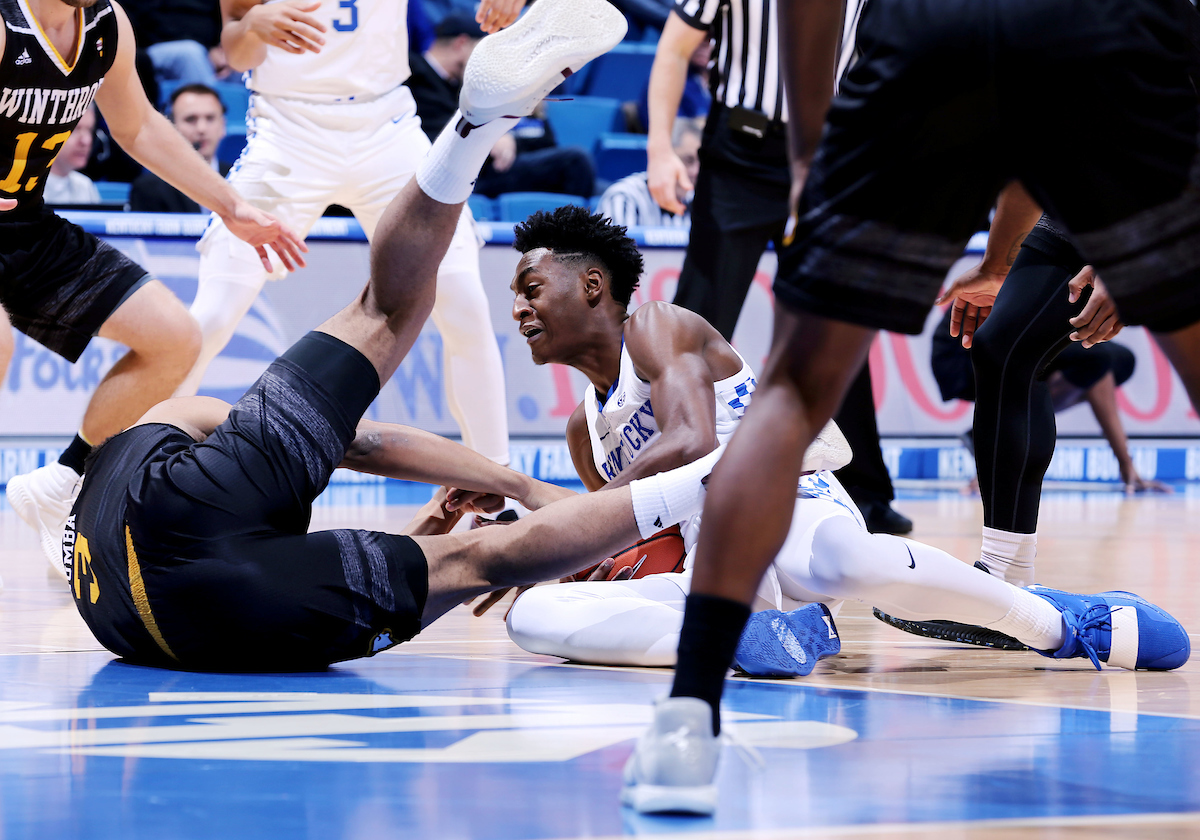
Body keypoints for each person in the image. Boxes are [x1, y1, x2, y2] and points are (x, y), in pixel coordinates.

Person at [625, 0, 1200, 815]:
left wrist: (811, 152)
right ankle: (1007, 577)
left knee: (790, 393)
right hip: (1097, 28)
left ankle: (688, 722)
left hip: (927, 35)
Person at [65, 0, 656, 674]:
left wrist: (492, 501)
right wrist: (516, 486)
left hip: (176, 611)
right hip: (288, 127)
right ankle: (474, 130)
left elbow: (363, 517)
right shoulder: (218, 487)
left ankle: (522, 501)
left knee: (468, 554)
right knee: (320, 313)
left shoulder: (257, 563)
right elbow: (359, 444)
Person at [495, 210, 1185, 695]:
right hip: (714, 567)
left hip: (788, 513)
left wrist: (562, 526)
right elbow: (623, 524)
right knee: (529, 616)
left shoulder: (655, 326)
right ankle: (757, 638)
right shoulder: (583, 432)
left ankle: (1063, 624)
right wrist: (546, 544)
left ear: (591, 286)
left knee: (852, 559)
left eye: (530, 289)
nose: (520, 310)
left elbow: (691, 443)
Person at [2, 0, 305, 576]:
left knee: (175, 339)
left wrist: (232, 205)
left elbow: (138, 126)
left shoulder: (106, 25)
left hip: (26, 222)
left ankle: (63, 482)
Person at [175, 0, 511, 475]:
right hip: (288, 134)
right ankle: (130, 468)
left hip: (388, 129)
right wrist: (251, 27)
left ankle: (495, 488)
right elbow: (237, 46)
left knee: (465, 304)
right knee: (212, 314)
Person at [130, 84, 231, 213]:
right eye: (190, 119)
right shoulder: (149, 188)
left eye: (210, 118)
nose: (202, 129)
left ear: (222, 126)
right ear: (171, 127)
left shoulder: (243, 179)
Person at [597, 118, 701, 229]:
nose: (696, 171)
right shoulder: (623, 199)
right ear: (663, 156)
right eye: (688, 160)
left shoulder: (699, 202)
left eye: (701, 161)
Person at [43, 106, 101, 205]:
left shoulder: (85, 185)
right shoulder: (21, 187)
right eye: (74, 130)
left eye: (90, 130)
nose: (86, 141)